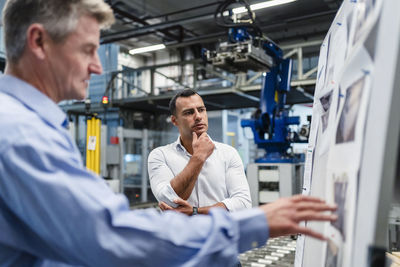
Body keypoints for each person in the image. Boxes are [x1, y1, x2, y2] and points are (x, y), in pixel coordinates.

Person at [0, 0, 337, 266]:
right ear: (39, 41)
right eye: (88, 49)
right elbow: (110, 234)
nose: (98, 67)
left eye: (202, 110)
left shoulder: (27, 126)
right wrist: (251, 224)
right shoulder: (19, 134)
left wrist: (203, 214)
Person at [148, 89, 252, 216]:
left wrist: (195, 211)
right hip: (180, 235)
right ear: (175, 121)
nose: (198, 116)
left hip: (219, 234)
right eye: (189, 112)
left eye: (201, 110)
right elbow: (169, 201)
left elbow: (243, 204)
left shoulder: (228, 153)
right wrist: (198, 157)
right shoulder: (160, 155)